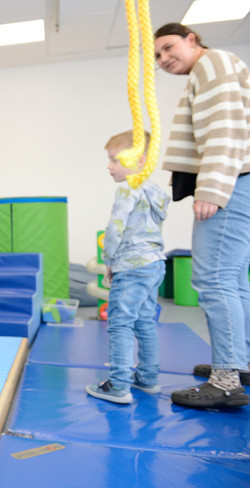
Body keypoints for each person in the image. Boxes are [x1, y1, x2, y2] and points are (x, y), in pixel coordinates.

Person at [154, 23, 250, 408]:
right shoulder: (214, 67)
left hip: (231, 182)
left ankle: (226, 380)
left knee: (213, 278)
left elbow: (224, 128)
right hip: (240, 181)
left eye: (169, 47)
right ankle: (238, 364)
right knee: (234, 279)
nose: (163, 59)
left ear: (191, 39)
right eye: (158, 56)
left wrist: (211, 187)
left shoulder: (212, 64)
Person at [86, 130, 169, 404]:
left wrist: (109, 260)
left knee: (119, 323)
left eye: (116, 160)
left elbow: (115, 229)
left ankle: (119, 385)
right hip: (155, 264)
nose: (110, 166)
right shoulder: (154, 190)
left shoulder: (127, 188)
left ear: (140, 160)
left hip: (131, 266)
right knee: (145, 322)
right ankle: (147, 379)